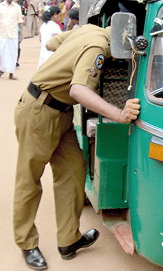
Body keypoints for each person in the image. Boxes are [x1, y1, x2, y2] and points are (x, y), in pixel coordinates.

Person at [13, 24, 140, 270]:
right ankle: (26, 243)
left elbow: (51, 43)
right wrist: (119, 114)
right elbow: (78, 89)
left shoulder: (88, 30)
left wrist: (65, 60)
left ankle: (68, 240)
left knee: (73, 170)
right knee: (29, 179)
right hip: (39, 111)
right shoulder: (97, 48)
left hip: (60, 112)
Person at [0, 0, 23, 80]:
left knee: (13, 54)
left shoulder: (17, 7)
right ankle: (1, 70)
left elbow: (20, 21)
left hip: (13, 34)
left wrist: (21, 33)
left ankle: (11, 73)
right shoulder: (0, 6)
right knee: (1, 54)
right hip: (2, 33)